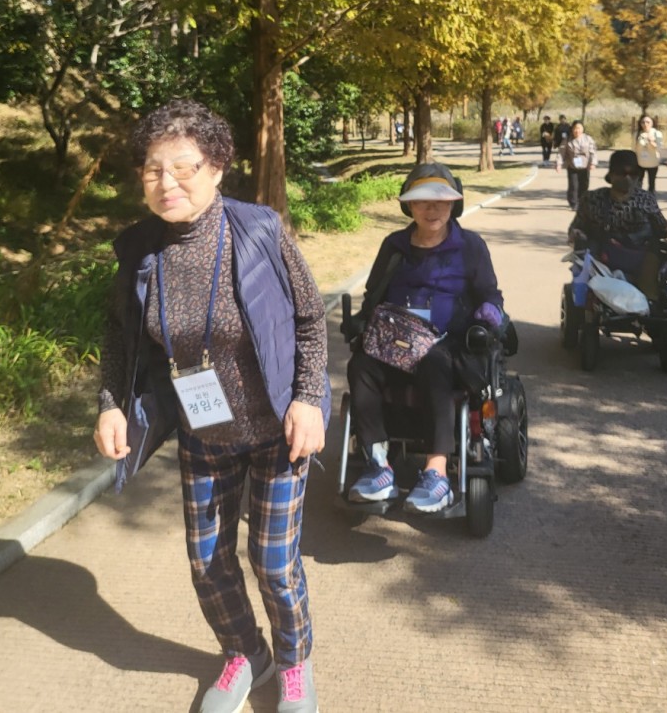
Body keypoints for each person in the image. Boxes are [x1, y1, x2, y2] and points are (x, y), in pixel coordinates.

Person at [93, 99, 328, 713]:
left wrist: (309, 399)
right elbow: (120, 335)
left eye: (183, 167)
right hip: (205, 431)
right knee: (207, 563)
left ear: (217, 168)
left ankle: (294, 663)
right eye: (153, 170)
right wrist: (112, 404)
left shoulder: (259, 231)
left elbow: (310, 318)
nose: (166, 182)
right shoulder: (139, 249)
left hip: (277, 427)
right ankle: (246, 653)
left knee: (273, 563)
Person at [346, 163, 504, 512]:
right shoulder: (394, 245)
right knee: (361, 365)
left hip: (446, 345)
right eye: (422, 202)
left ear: (453, 205)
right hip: (396, 343)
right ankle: (378, 466)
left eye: (440, 202)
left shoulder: (470, 246)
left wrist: (489, 314)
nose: (432, 210)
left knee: (433, 361)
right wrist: (361, 321)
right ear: (409, 206)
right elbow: (374, 296)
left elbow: (491, 295)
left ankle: (436, 473)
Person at [569, 149, 667, 293]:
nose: (627, 178)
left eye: (633, 174)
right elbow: (576, 227)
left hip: (641, 261)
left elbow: (661, 229)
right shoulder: (592, 199)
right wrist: (576, 234)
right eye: (621, 173)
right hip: (600, 263)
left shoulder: (646, 200)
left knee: (657, 255)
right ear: (611, 174)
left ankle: (650, 299)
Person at [555, 119, 597, 210]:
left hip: (585, 166)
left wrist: (593, 163)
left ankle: (582, 201)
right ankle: (573, 203)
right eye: (575, 128)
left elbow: (593, 152)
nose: (577, 130)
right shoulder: (567, 140)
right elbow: (561, 153)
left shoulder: (588, 139)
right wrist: (559, 164)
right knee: (573, 186)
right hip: (572, 166)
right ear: (572, 129)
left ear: (582, 129)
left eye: (579, 128)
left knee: (584, 185)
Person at [635, 114, 663, 192]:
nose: (645, 124)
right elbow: (634, 149)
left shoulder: (657, 133)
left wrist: (651, 142)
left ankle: (651, 197)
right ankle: (638, 197)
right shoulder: (637, 134)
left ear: (652, 123)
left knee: (651, 183)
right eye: (643, 122)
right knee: (638, 182)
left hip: (652, 163)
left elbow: (659, 148)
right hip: (640, 162)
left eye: (648, 122)